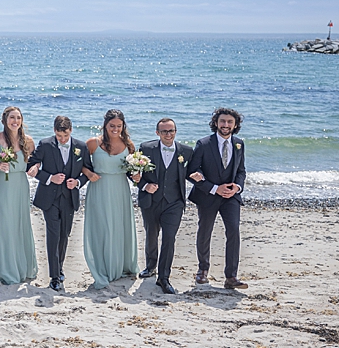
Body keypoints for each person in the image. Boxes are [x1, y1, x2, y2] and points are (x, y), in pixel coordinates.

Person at [27, 115, 93, 292]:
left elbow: (88, 171)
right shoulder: (45, 144)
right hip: (49, 198)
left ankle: (60, 267)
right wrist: (49, 178)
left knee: (65, 235)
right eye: (59, 136)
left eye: (65, 136)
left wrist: (77, 182)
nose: (62, 139)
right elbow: (31, 166)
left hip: (69, 198)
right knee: (53, 235)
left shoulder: (81, 146)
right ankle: (54, 277)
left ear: (71, 130)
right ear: (54, 131)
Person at [187, 107, 247, 290]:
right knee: (205, 232)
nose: (226, 125)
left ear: (235, 125)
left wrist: (237, 187)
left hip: (231, 197)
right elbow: (192, 173)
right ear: (216, 123)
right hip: (208, 196)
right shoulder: (203, 144)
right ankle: (202, 271)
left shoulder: (239, 144)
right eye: (222, 121)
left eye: (230, 122)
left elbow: (241, 171)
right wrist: (214, 188)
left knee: (234, 231)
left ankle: (231, 277)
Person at [82, 109, 140, 290]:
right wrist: (89, 173)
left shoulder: (129, 145)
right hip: (98, 188)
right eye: (112, 126)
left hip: (120, 190)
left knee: (118, 226)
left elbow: (131, 170)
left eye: (119, 126)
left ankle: (120, 265)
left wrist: (136, 176)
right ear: (105, 125)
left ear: (123, 126)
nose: (115, 129)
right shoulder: (93, 143)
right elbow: (80, 164)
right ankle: (102, 266)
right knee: (101, 227)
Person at [135, 118, 194, 294]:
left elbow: (190, 173)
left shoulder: (186, 151)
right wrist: (145, 186)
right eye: (164, 131)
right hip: (151, 201)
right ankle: (150, 266)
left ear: (176, 131)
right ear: (157, 133)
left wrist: (199, 177)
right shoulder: (146, 149)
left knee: (169, 238)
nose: (168, 134)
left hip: (174, 202)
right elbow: (135, 174)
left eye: (171, 131)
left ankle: (163, 277)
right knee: (151, 234)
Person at [0, 106, 37, 285]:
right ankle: (7, 270)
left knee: (21, 224)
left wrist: (36, 168)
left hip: (21, 185)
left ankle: (25, 268)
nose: (15, 121)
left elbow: (35, 163)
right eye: (12, 118)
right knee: (5, 227)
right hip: (1, 186)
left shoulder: (28, 141)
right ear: (5, 120)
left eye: (18, 118)